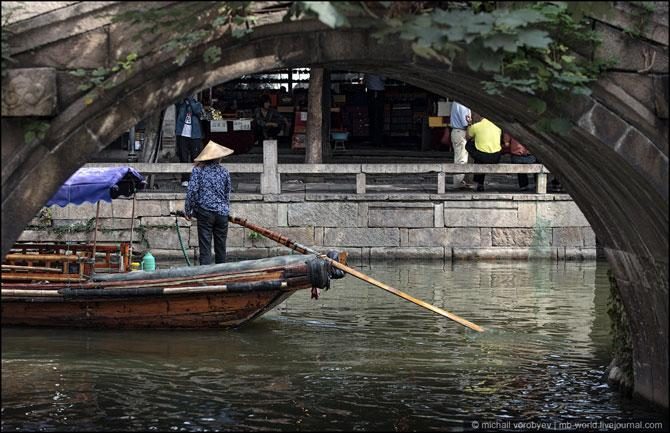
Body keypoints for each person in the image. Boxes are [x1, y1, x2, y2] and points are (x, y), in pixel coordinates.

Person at [184, 140, 234, 265]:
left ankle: (206, 276)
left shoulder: (198, 171)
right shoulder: (224, 172)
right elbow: (227, 194)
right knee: (221, 247)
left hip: (205, 213)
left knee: (205, 248)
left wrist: (188, 210)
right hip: (222, 214)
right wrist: (225, 209)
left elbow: (192, 192)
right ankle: (221, 274)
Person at [466, 113, 502, 192]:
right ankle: (480, 183)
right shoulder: (497, 126)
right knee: (479, 158)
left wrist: (469, 124)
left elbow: (467, 137)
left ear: (479, 116)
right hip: (496, 157)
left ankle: (479, 183)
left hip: (482, 157)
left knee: (469, 145)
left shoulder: (476, 126)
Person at [175, 95, 204, 187]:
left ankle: (196, 178)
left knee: (195, 158)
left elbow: (197, 111)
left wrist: (191, 101)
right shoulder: (181, 105)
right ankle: (185, 179)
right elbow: (177, 106)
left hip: (194, 135)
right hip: (183, 135)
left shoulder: (197, 104)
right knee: (183, 157)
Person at [450, 101, 474, 189]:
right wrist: (471, 124)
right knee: (462, 159)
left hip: (456, 131)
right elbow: (466, 122)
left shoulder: (456, 103)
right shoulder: (463, 104)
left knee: (459, 157)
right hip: (461, 132)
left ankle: (461, 181)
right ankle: (458, 182)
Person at [365, 74, 386, 147]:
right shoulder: (379, 69)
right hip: (378, 91)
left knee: (373, 116)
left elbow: (366, 79)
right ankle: (378, 140)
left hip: (371, 91)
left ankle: (374, 139)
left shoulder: (368, 70)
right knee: (378, 117)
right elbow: (384, 78)